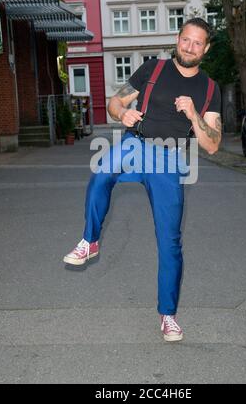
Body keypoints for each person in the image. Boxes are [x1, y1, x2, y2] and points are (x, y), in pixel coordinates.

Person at [63, 18, 222, 342]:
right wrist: (122, 114)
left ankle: (168, 316)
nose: (189, 47)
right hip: (136, 143)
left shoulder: (208, 89)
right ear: (177, 39)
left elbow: (213, 144)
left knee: (169, 242)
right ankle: (90, 241)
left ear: (205, 48)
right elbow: (115, 102)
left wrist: (192, 115)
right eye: (185, 40)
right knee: (101, 173)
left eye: (196, 43)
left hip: (169, 157)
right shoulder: (152, 70)